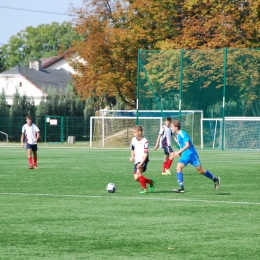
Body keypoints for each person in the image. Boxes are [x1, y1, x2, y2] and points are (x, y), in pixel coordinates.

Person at [170, 120, 220, 193]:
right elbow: (183, 145)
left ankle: (215, 179)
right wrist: (180, 152)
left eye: (172, 127)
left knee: (200, 170)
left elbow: (187, 145)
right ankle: (181, 188)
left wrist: (178, 152)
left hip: (192, 154)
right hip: (185, 155)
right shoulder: (178, 135)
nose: (171, 128)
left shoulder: (182, 133)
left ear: (176, 127)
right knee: (178, 168)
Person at [130, 125, 155, 193]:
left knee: (139, 173)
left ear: (140, 132)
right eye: (133, 132)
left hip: (143, 159)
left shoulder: (145, 141)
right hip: (136, 160)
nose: (134, 133)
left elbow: (146, 154)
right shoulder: (133, 140)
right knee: (136, 178)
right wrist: (132, 157)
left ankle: (144, 188)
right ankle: (151, 182)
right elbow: (132, 149)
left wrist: (141, 163)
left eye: (135, 132)